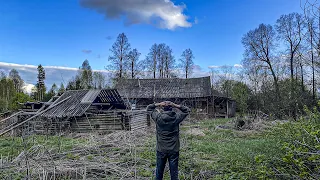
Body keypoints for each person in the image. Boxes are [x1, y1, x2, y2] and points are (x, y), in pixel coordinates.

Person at [147, 101, 190, 180]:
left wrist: (158, 104)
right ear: (171, 109)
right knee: (174, 173)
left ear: (163, 109)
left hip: (161, 149)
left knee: (159, 172)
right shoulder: (176, 118)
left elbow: (149, 108)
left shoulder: (158, 118)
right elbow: (186, 110)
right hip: (174, 150)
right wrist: (175, 105)